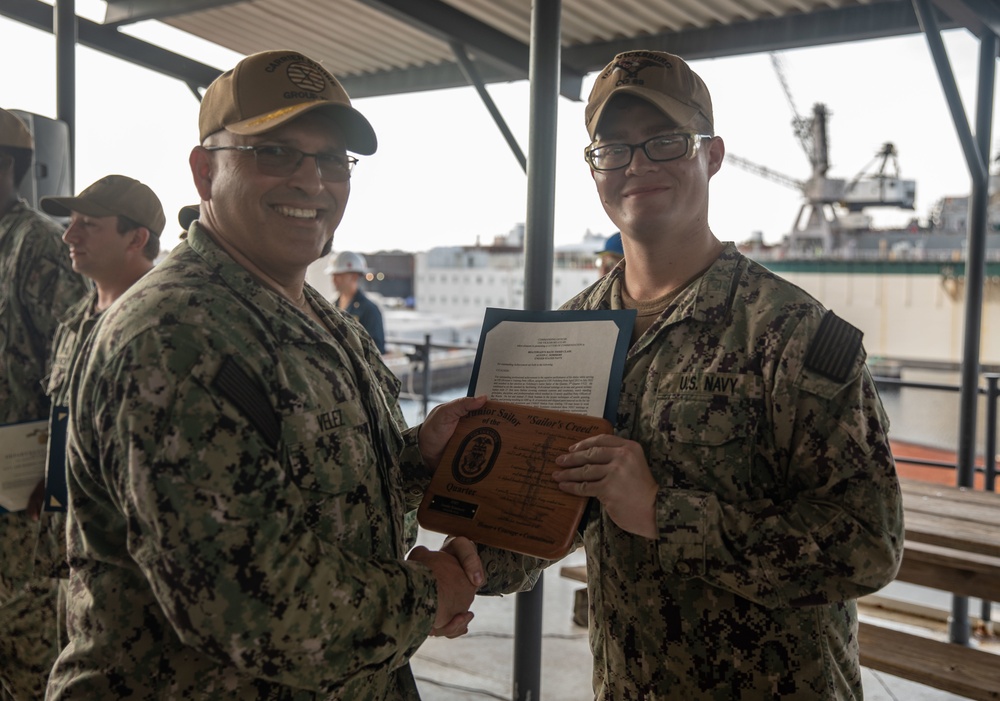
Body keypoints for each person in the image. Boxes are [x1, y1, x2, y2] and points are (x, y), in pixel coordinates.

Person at [47, 49, 485, 700]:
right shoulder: (172, 337)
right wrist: (430, 593)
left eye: (333, 158)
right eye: (274, 152)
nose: (312, 181)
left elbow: (318, 479)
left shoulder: (317, 316)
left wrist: (417, 455)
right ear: (205, 171)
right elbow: (252, 604)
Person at [482, 50, 905, 699]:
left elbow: (868, 544)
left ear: (712, 154)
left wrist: (663, 513)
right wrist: (466, 564)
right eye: (613, 148)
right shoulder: (569, 332)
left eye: (665, 142)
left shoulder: (791, 333)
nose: (637, 165)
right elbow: (549, 515)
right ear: (593, 166)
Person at [29, 173, 164, 594]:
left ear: (136, 238)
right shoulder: (76, 320)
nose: (69, 235)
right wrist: (48, 480)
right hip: (72, 553)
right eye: (71, 221)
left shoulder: (160, 325)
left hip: (127, 571)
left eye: (88, 224)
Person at [0, 108, 89, 701]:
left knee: (28, 660)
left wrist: (55, 479)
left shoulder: (36, 245)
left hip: (21, 503)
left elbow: (82, 366)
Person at [327, 250, 386, 353]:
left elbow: (377, 350)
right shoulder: (332, 305)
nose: (334, 280)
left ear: (354, 276)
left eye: (339, 275)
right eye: (333, 275)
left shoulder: (369, 309)